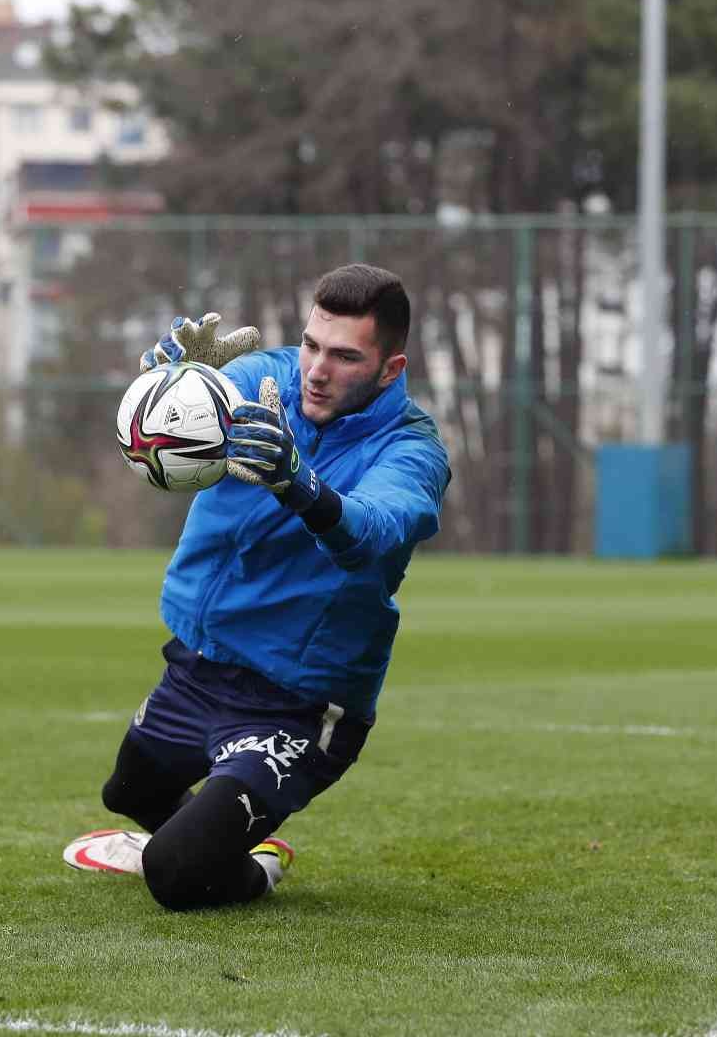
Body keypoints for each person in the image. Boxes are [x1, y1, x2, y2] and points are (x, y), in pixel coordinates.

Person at [63, 263, 452, 910]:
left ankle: (255, 864)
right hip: (200, 668)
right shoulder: (265, 378)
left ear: (391, 369)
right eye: (311, 345)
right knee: (127, 792)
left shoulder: (413, 450)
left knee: (175, 874)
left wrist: (298, 482)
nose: (316, 370)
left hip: (297, 703)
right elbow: (184, 411)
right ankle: (212, 837)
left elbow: (373, 533)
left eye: (345, 356)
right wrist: (178, 382)